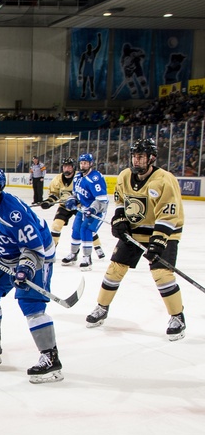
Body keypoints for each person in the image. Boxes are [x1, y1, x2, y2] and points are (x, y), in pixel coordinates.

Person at [0, 167, 63, 383]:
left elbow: (34, 247)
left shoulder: (14, 214)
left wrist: (26, 268)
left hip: (37, 255)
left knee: (31, 304)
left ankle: (50, 358)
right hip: (7, 254)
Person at [85, 138, 186, 340]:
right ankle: (102, 307)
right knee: (114, 269)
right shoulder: (124, 176)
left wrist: (157, 242)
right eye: (134, 156)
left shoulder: (165, 180)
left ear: (151, 158)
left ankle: (178, 317)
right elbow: (121, 201)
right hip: (136, 231)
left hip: (165, 232)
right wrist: (120, 219)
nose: (136, 160)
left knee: (161, 274)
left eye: (141, 156)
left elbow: (169, 215)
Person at [38, 157, 106, 260]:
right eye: (65, 166)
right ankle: (50, 250)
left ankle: (97, 246)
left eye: (69, 167)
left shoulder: (80, 177)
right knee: (56, 226)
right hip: (64, 207)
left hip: (79, 207)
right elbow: (55, 195)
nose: (67, 169)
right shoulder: (57, 180)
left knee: (86, 227)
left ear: (73, 167)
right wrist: (48, 202)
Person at [60, 152, 108, 271]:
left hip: (98, 210)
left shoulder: (96, 178)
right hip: (84, 208)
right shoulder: (77, 177)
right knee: (76, 229)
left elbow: (102, 199)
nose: (83, 165)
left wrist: (93, 209)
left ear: (91, 164)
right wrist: (72, 200)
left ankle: (87, 257)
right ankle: (73, 254)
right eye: (81, 163)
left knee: (85, 229)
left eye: (85, 163)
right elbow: (76, 194)